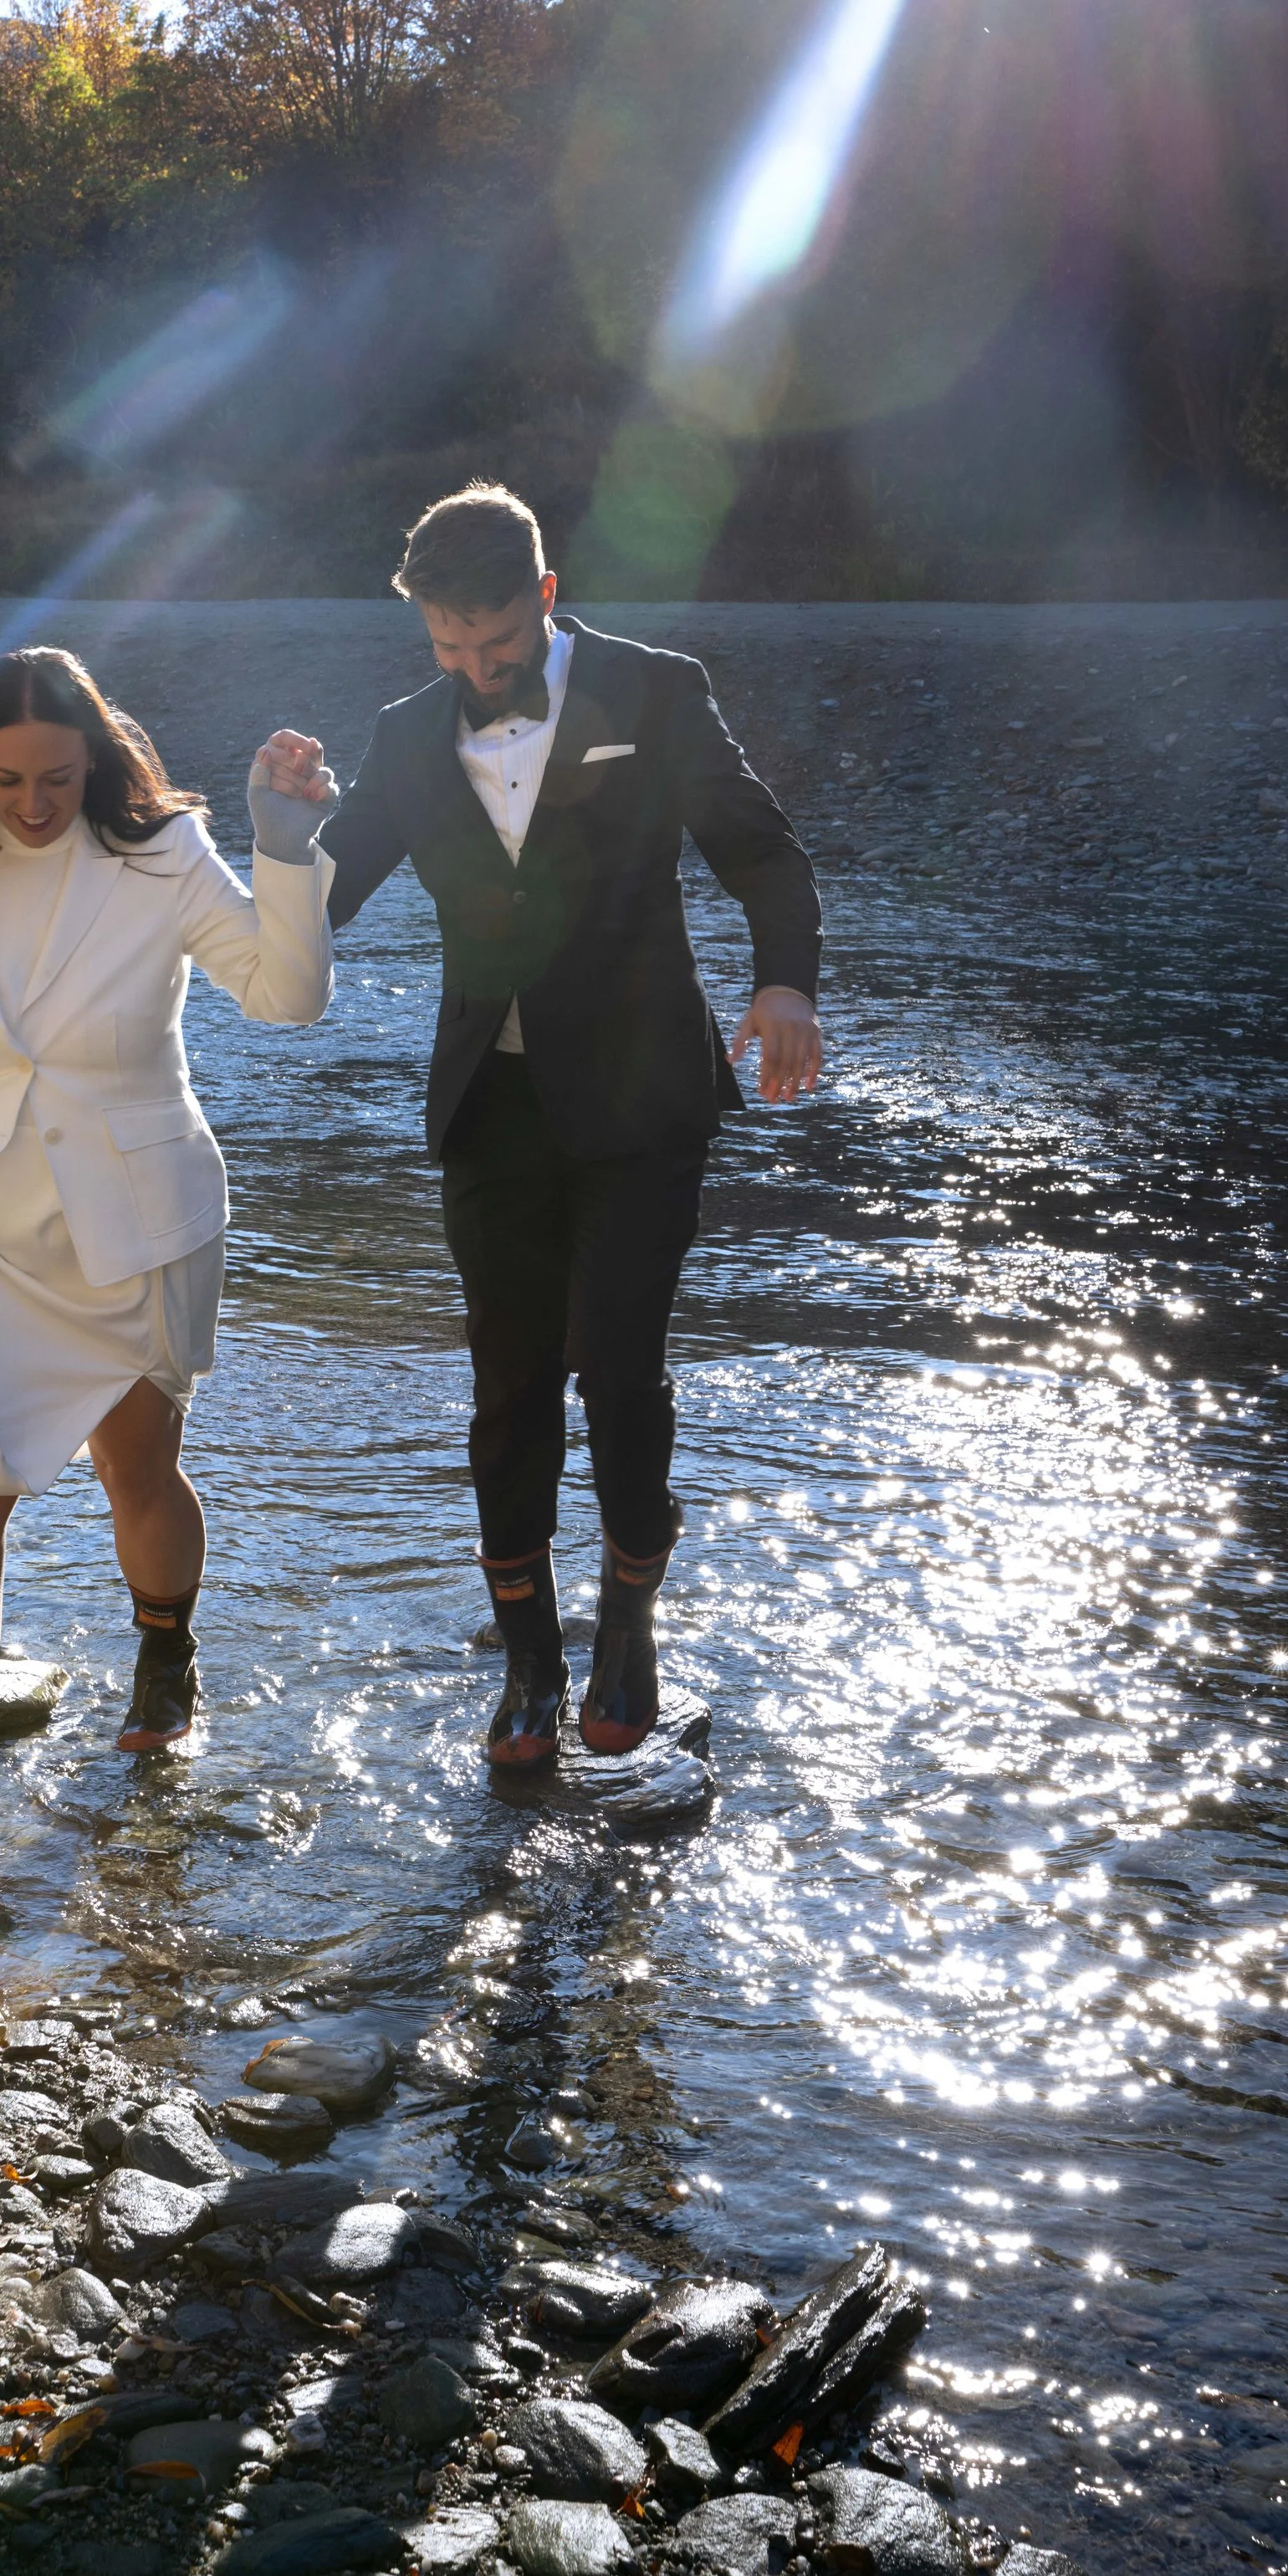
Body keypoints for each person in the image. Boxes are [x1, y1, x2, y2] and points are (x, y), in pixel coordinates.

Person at [317, 483, 822, 1770]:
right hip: (491, 1106)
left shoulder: (655, 691)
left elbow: (763, 851)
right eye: (447, 649)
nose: (474, 672)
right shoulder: (404, 733)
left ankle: (631, 1626)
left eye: (493, 645)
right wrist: (259, 846)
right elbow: (319, 898)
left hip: (647, 1099)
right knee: (509, 1386)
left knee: (620, 1365)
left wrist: (783, 985)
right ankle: (532, 1664)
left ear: (544, 596)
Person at [0, 644, 336, 1871]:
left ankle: (166, 1655)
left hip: (137, 1224)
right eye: (8, 778)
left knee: (137, 1472)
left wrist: (286, 846)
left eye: (56, 776)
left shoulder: (161, 853)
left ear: (95, 758)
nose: (31, 802)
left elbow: (287, 996)